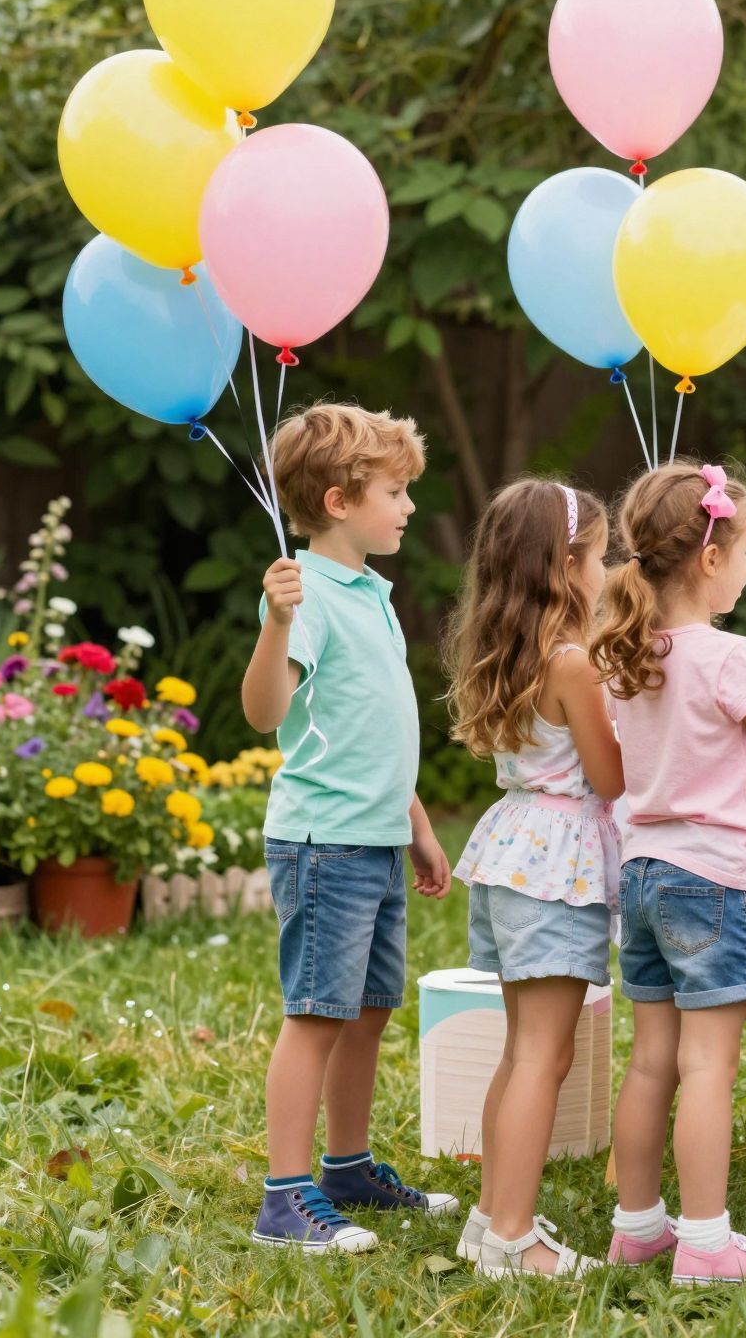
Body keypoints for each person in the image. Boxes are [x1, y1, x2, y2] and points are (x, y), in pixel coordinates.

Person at [590, 461, 746, 1284]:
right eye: (743, 554)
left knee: (650, 1061)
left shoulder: (631, 653)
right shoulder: (731, 657)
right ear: (709, 559)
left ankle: (637, 1226)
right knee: (709, 1067)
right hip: (714, 883)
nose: (745, 570)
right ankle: (706, 1244)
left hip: (644, 873)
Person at [242, 403, 456, 1252]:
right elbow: (266, 714)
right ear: (339, 500)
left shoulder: (371, 592)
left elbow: (376, 725)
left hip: (373, 836)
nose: (408, 507)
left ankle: (346, 1168)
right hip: (323, 840)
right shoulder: (309, 596)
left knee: (367, 1011)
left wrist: (418, 826)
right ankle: (284, 1199)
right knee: (318, 1013)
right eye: (395, 491)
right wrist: (279, 623)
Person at [444, 478, 622, 1278]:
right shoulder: (572, 662)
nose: (612, 566)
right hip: (560, 865)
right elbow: (610, 776)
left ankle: (489, 1221)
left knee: (522, 1051)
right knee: (544, 1060)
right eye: (604, 553)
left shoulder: (511, 648)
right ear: (568, 563)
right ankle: (515, 1239)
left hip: (514, 849)